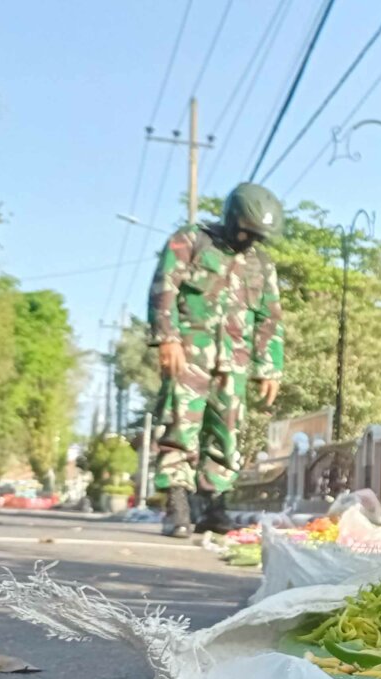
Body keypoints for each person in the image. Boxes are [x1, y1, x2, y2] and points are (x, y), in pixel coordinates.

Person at [149, 182, 286, 538]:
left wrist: (269, 367)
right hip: (189, 354)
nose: (249, 240)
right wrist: (167, 338)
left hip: (234, 361)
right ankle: (177, 504)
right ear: (233, 219)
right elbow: (165, 288)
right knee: (181, 424)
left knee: (227, 431)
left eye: (257, 236)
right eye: (246, 231)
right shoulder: (191, 242)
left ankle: (214, 504)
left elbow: (270, 319)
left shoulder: (260, 264)